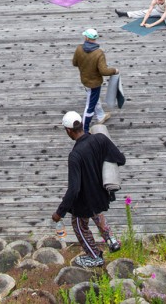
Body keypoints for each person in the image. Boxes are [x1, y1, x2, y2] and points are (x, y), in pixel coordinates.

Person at [52, 111, 126, 268]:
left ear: (68, 130)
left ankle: (94, 256)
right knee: (98, 215)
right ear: (81, 124)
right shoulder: (100, 139)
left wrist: (59, 212)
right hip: (101, 195)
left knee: (80, 227)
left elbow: (74, 189)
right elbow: (121, 159)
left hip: (84, 203)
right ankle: (111, 240)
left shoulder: (75, 155)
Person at [72, 28, 118, 131]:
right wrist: (114, 70)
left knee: (94, 99)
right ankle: (84, 129)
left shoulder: (79, 49)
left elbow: (74, 63)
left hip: (85, 80)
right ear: (95, 39)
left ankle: (101, 116)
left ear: (86, 38)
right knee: (89, 106)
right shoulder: (98, 53)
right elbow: (104, 71)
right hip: (94, 84)